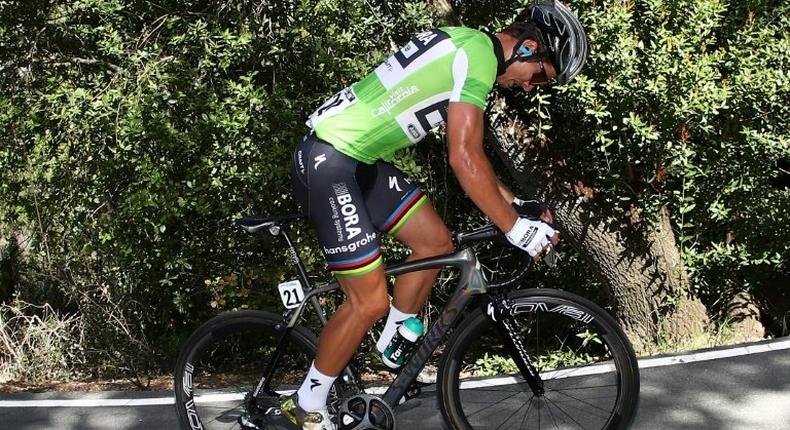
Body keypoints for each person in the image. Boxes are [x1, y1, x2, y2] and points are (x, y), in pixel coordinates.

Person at [283, 1, 587, 429]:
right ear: (527, 48)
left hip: (357, 161)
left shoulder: (471, 48)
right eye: (540, 75)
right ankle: (307, 403)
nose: (531, 87)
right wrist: (515, 228)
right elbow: (464, 158)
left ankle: (396, 340)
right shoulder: (477, 57)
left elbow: (472, 157)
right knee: (368, 300)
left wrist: (515, 204)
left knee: (435, 242)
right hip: (328, 158)